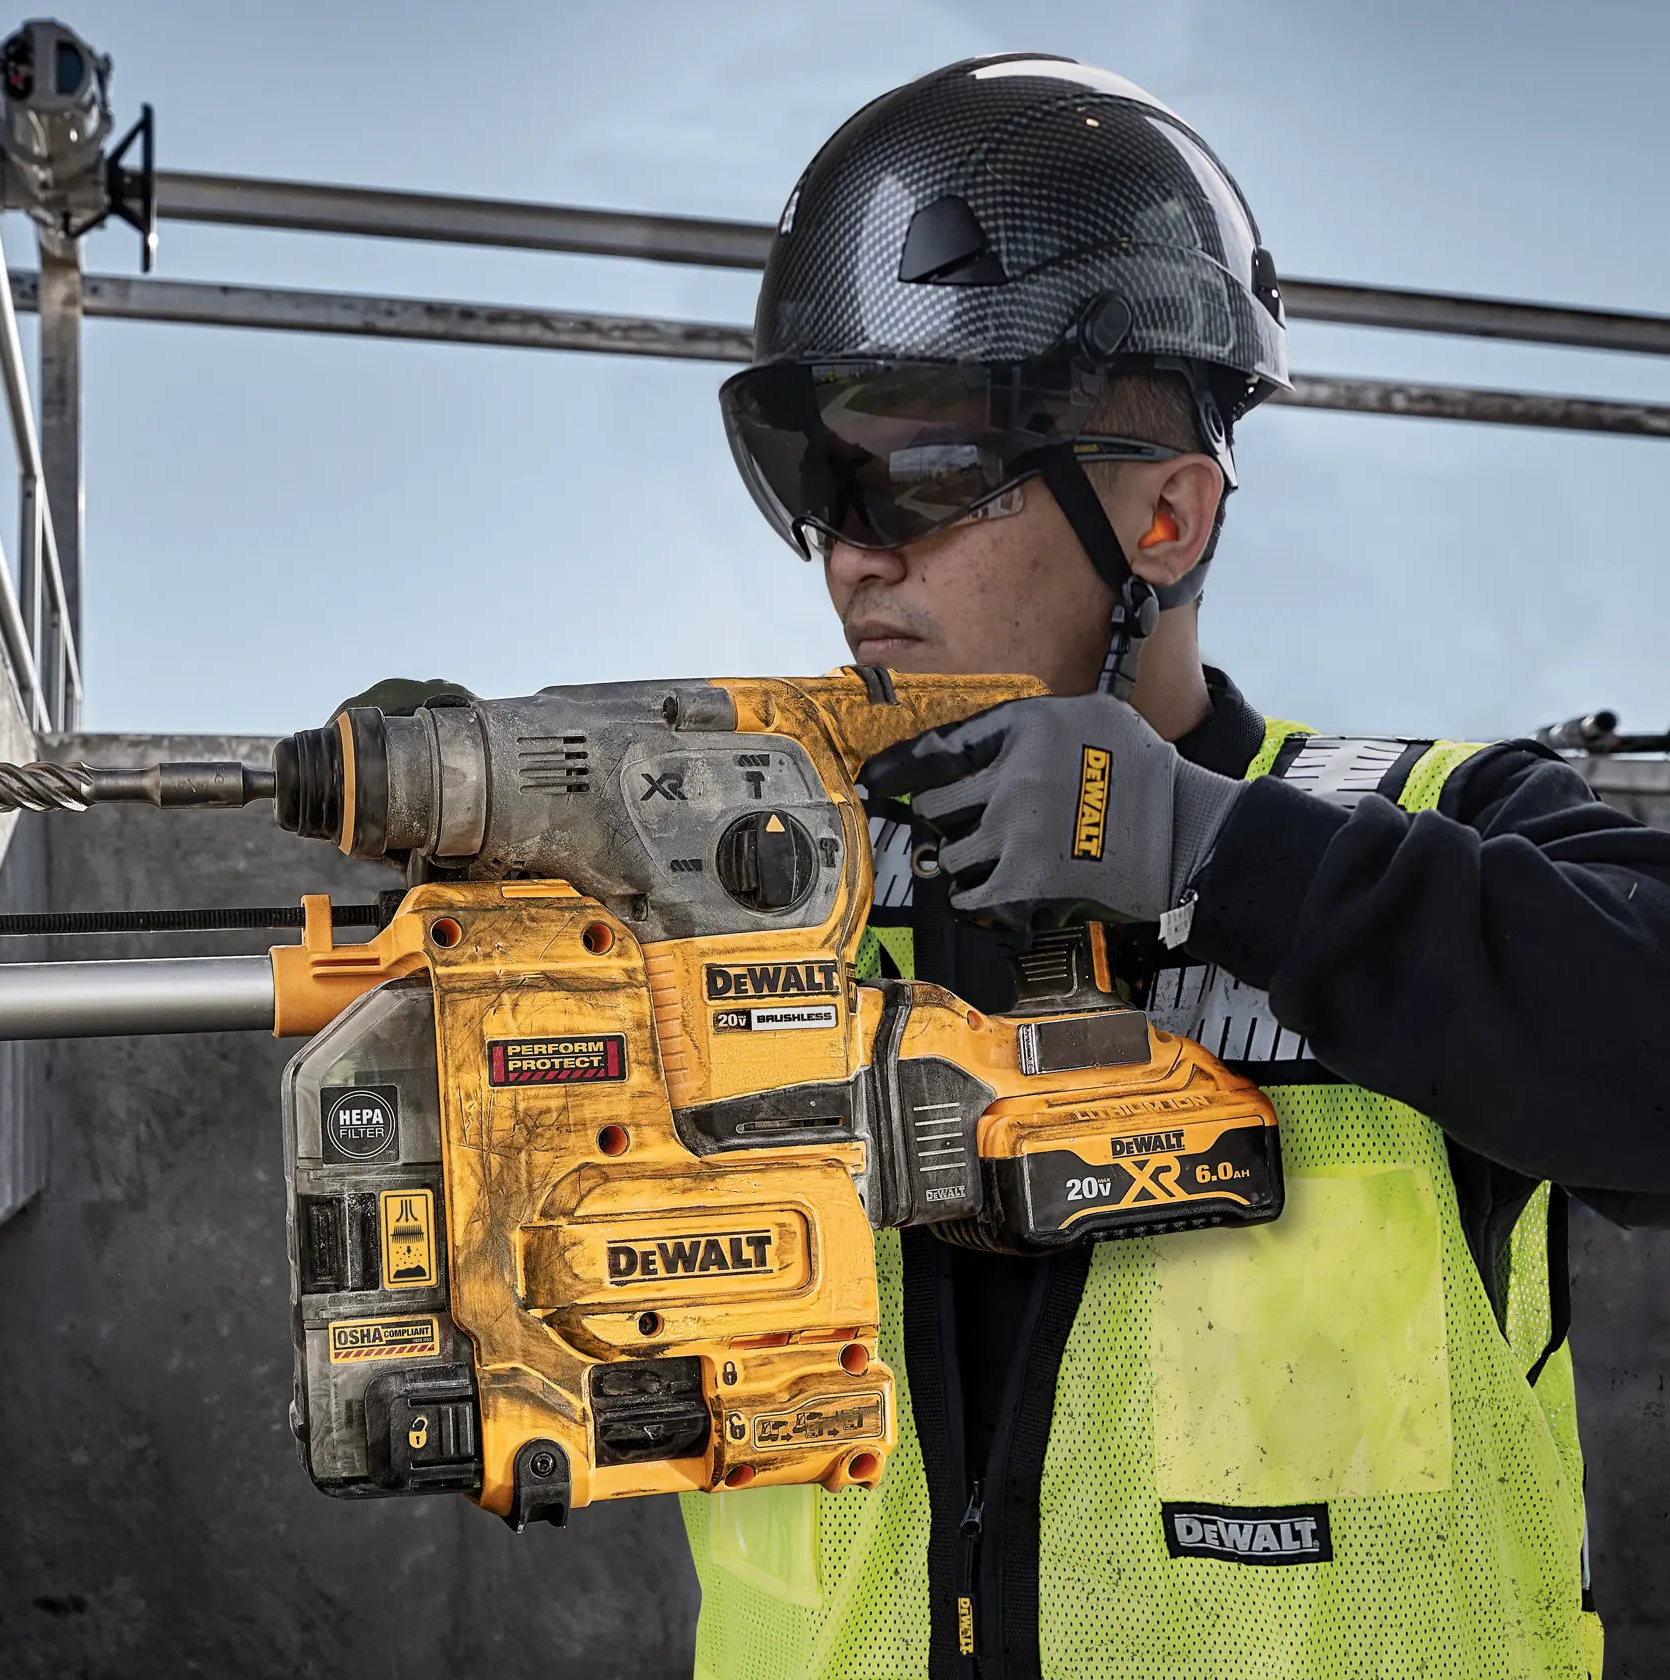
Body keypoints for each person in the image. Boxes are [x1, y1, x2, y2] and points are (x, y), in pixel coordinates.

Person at [690, 52, 1670, 1680]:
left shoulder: (1445, 820)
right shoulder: (776, 904)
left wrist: (1221, 858)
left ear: (1167, 521)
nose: (855, 544)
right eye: (815, 478)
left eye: (923, 468)